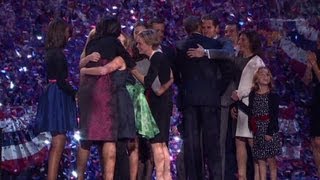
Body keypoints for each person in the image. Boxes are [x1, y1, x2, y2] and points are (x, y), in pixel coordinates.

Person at [77, 16, 136, 180]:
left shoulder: (92, 43)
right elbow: (128, 62)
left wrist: (85, 67)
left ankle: (79, 176)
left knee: (86, 137)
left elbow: (81, 63)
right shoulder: (115, 44)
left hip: (86, 92)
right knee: (109, 137)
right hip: (104, 92)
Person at [175, 16, 233, 180]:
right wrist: (217, 90)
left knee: (192, 146)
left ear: (185, 29)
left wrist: (184, 88)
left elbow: (176, 74)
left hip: (189, 100)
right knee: (213, 145)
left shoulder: (180, 46)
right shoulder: (214, 45)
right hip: (210, 100)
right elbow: (228, 71)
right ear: (200, 27)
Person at [35, 18, 77, 180]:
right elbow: (61, 80)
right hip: (58, 94)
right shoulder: (57, 54)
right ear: (61, 34)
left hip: (54, 93)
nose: (69, 36)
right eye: (67, 33)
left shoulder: (51, 52)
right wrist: (75, 94)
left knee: (58, 139)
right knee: (59, 140)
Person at [131, 29, 173, 180]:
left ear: (149, 43)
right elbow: (170, 78)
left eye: (140, 43)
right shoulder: (161, 56)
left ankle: (162, 176)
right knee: (161, 144)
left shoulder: (156, 58)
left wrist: (133, 70)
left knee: (157, 143)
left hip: (158, 105)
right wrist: (163, 88)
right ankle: (165, 176)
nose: (138, 46)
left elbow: (148, 82)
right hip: (163, 103)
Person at [232, 67, 281, 180]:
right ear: (256, 78)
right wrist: (238, 102)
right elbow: (251, 112)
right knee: (260, 160)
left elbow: (274, 116)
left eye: (267, 74)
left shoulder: (273, 96)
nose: (265, 76)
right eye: (262, 74)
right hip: (257, 130)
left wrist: (269, 132)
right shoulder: (253, 94)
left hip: (269, 130)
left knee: (271, 160)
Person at [231, 30, 266, 180]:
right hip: (239, 106)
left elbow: (259, 83)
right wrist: (234, 103)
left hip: (251, 106)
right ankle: (242, 176)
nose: (240, 42)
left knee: (253, 142)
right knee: (239, 140)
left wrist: (240, 93)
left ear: (251, 42)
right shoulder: (236, 60)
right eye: (239, 39)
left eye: (244, 39)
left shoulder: (257, 61)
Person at [302, 36, 320, 177]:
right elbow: (306, 81)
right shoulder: (315, 55)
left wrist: (314, 65)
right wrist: (309, 67)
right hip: (316, 101)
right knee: (315, 141)